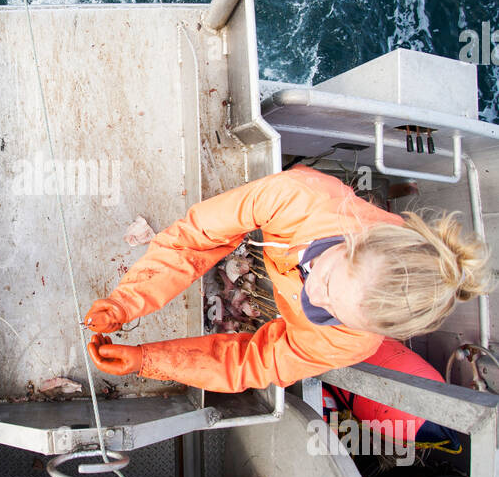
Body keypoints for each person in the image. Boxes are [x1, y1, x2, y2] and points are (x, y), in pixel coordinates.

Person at [85, 164, 493, 393]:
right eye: (329, 280)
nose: (314, 295)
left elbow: (254, 362)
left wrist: (148, 361)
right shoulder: (298, 196)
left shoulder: (352, 341)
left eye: (335, 312)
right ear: (353, 240)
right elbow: (197, 237)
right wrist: (127, 302)